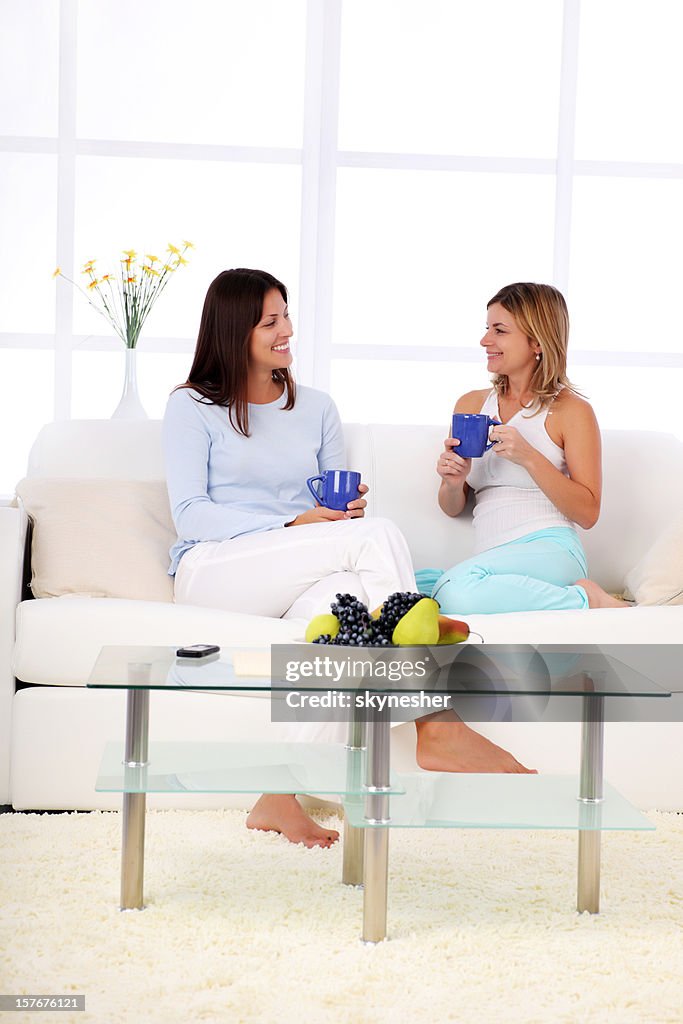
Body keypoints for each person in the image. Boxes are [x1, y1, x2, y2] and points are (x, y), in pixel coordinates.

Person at [163, 269, 532, 852]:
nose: (287, 331)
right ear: (234, 331)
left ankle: (277, 795)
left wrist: (334, 518)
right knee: (377, 537)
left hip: (299, 564)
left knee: (349, 620)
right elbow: (191, 513)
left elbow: (337, 522)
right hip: (215, 567)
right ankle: (434, 719)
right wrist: (293, 524)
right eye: (270, 321)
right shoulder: (193, 406)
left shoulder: (315, 408)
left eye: (286, 315)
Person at [423, 281, 630, 615]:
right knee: (404, 580)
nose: (484, 340)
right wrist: (452, 481)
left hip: (550, 548)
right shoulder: (472, 405)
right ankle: (460, 585)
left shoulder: (571, 411)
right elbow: (452, 507)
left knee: (454, 592)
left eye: (499, 330)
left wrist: (529, 457)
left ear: (536, 341)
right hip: (490, 560)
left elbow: (588, 512)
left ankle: (586, 599)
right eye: (486, 328)